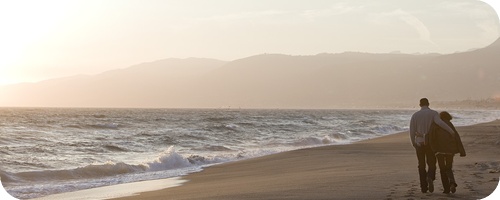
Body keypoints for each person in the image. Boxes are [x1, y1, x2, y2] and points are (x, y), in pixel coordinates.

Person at [409, 98, 455, 193]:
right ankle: (430, 177)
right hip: (430, 143)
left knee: (421, 165)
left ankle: (424, 187)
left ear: (419, 105)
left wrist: (413, 142)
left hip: (419, 143)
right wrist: (451, 131)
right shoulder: (434, 113)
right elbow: (440, 123)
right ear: (428, 104)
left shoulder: (415, 115)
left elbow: (412, 131)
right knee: (431, 163)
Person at [429, 111, 466, 194]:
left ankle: (446, 189)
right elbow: (456, 136)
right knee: (448, 168)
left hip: (439, 150)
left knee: (442, 169)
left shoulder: (435, 124)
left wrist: (433, 149)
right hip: (450, 150)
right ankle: (452, 183)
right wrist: (461, 151)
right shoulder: (449, 124)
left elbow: (431, 137)